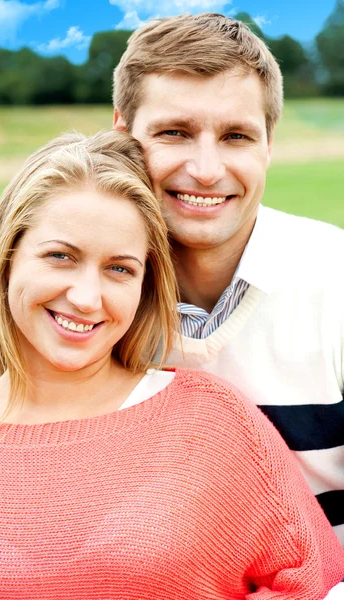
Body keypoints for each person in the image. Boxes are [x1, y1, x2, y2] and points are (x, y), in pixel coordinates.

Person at [0, 130, 343, 598]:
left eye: (119, 269)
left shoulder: (211, 422)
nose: (87, 298)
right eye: (60, 256)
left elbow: (314, 580)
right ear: (5, 257)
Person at [113, 12, 344, 544]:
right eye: (174, 132)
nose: (207, 169)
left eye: (236, 136)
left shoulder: (334, 278)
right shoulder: (88, 299)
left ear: (268, 146)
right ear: (123, 134)